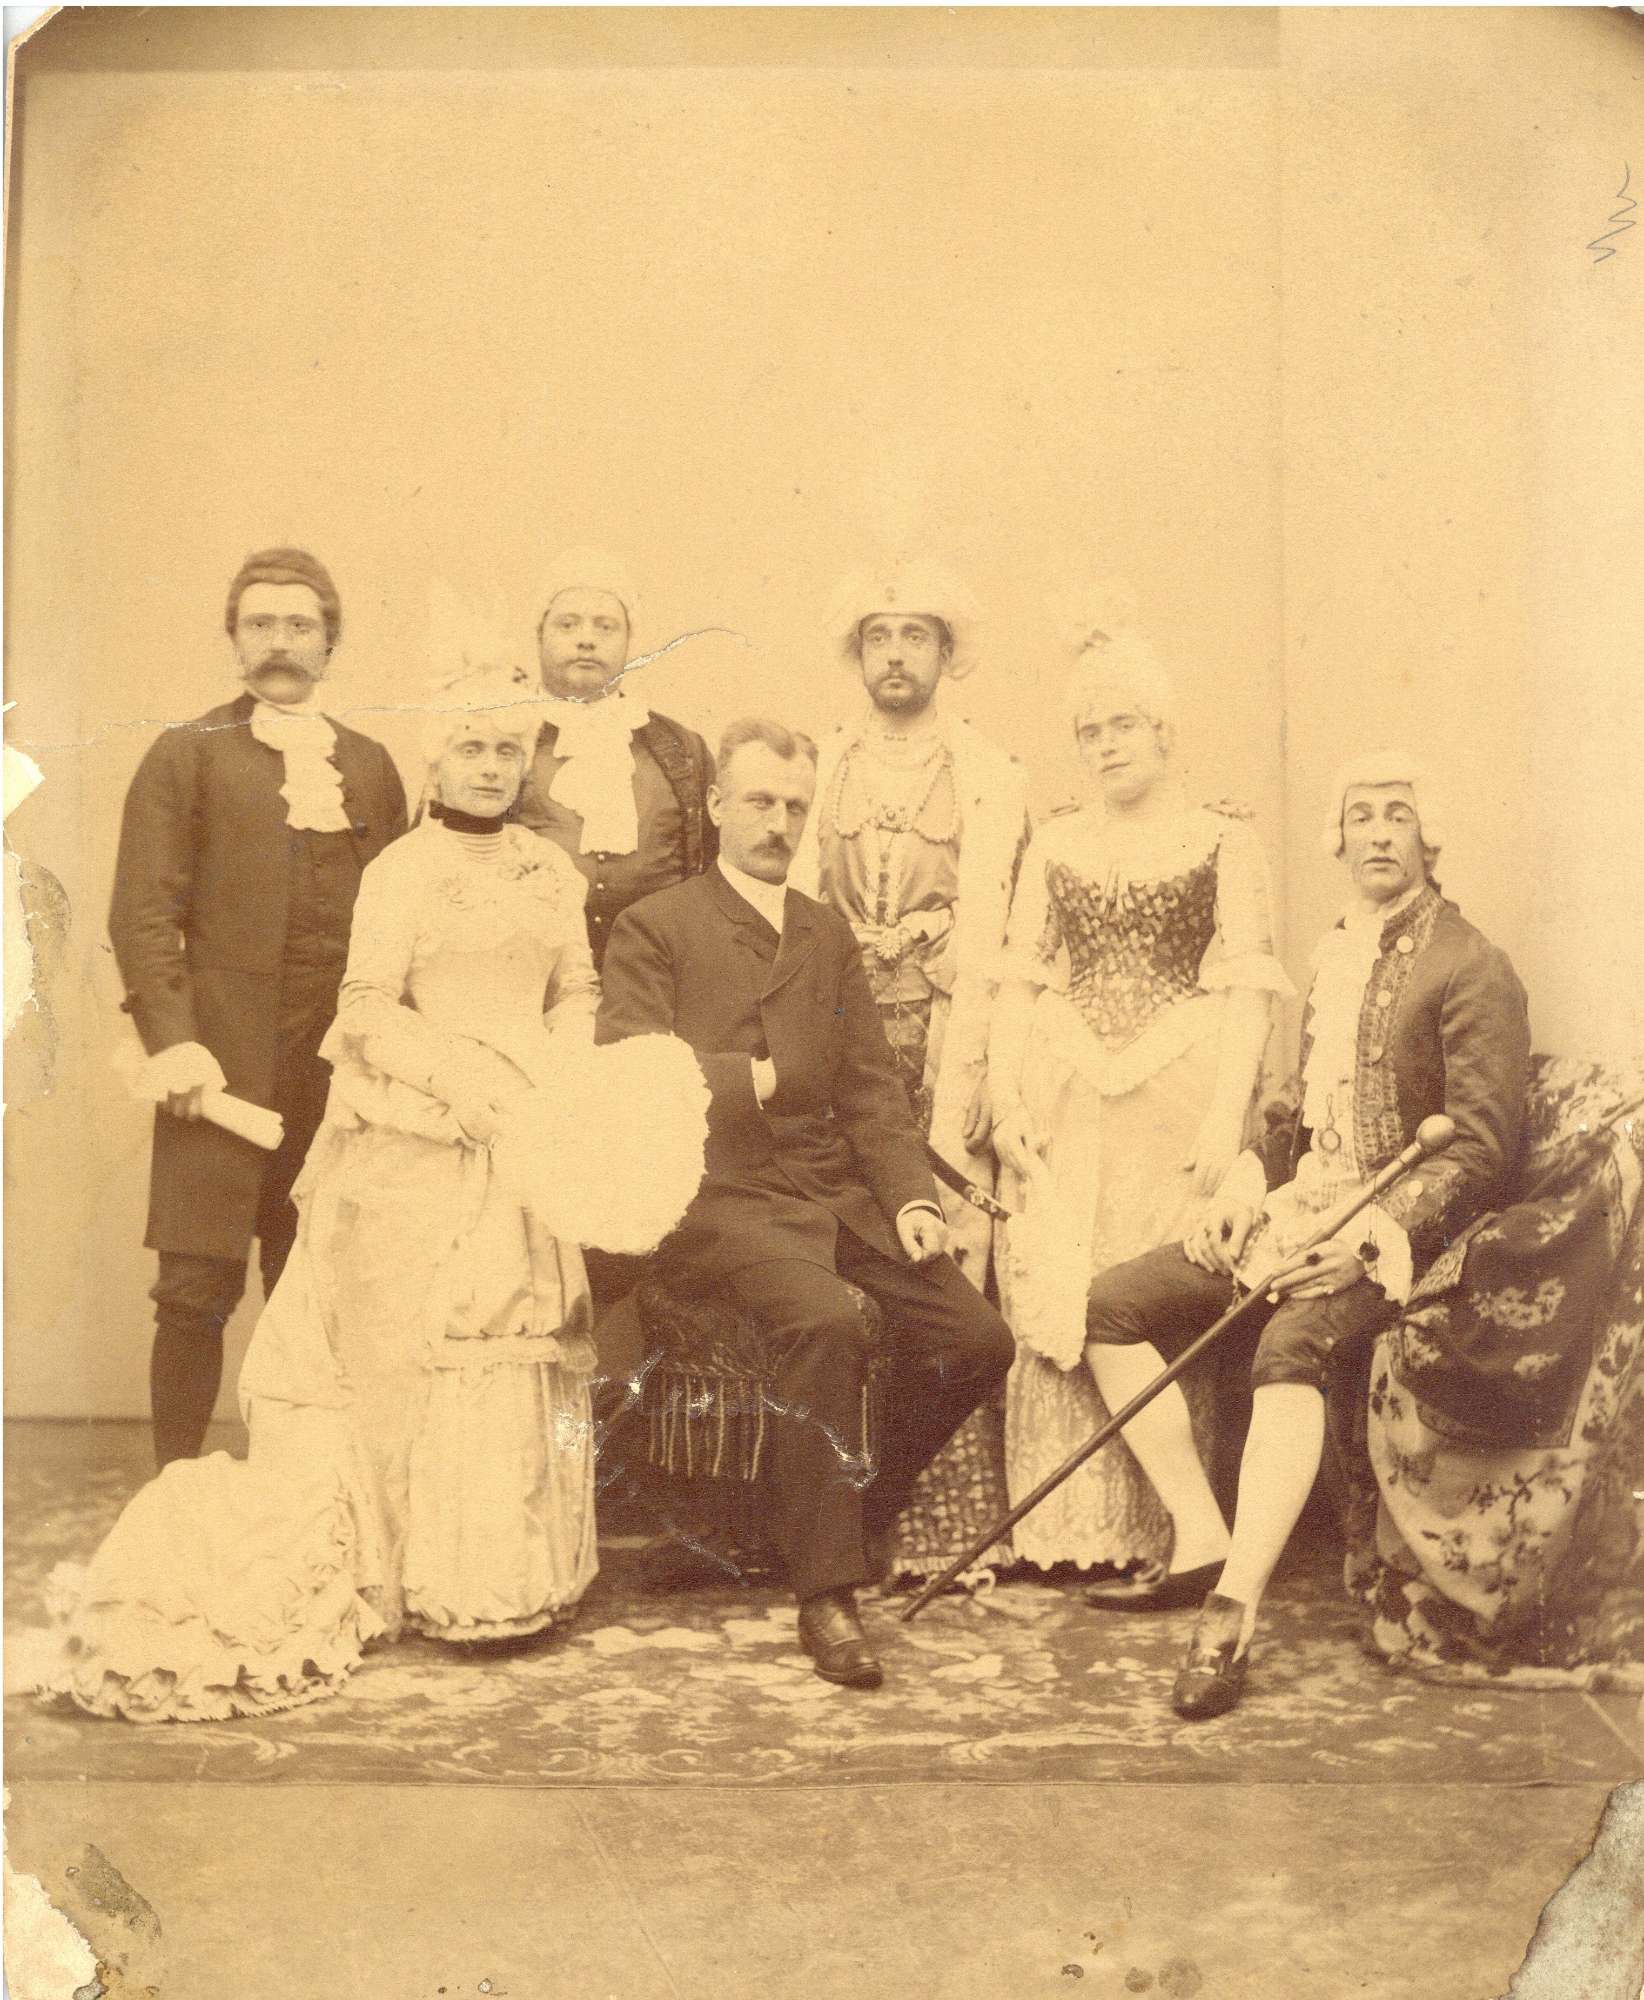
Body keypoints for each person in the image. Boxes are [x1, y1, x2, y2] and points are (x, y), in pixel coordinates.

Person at [47, 675, 703, 1721]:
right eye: (470, 749)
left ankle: (501, 1578)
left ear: (526, 766)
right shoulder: (403, 868)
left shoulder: (547, 865)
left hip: (527, 1127)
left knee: (520, 1329)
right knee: (423, 1343)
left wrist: (554, 1071)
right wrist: (458, 1081)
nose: (489, 767)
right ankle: (408, 1570)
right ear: (436, 763)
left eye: (506, 751)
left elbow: (575, 988)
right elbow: (362, 1008)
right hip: (420, 1131)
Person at [1079, 751, 1530, 1719]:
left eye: (1398, 815)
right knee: (1109, 1306)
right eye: (1361, 816)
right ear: (1339, 838)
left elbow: (1482, 1146)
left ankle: (1233, 1610)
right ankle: (1201, 1535)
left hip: (1405, 1242)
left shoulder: (1471, 964)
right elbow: (1293, 1113)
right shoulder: (1333, 954)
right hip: (1298, 1216)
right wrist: (1248, 1182)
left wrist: (1367, 1235)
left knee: (1288, 1345)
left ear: (1428, 837)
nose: (1379, 834)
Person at [596, 718, 1016, 1689]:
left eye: (794, 805)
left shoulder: (824, 931)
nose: (778, 822)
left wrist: (910, 1200)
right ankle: (827, 1593)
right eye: (759, 801)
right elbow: (628, 1069)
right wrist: (753, 1079)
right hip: (715, 1196)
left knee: (975, 1339)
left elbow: (869, 1087)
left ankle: (839, 1517)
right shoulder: (656, 925)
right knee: (824, 1321)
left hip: (830, 1190)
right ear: (716, 807)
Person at [987, 624, 1289, 1577]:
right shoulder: (1055, 843)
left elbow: (1249, 991)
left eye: (1123, 725)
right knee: (1063, 1284)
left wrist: (1223, 1120)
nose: (1106, 745)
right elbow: (1019, 978)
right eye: (1089, 732)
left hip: (1177, 1089)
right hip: (1067, 1086)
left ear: (1164, 731)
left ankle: (1169, 1528)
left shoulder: (1223, 840)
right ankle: (1065, 1529)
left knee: (1142, 1293)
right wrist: (1004, 1096)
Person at [109, 548, 407, 1470]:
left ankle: (301, 1497)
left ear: (331, 643)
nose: (280, 643)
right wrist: (176, 1047)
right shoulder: (185, 754)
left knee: (313, 1290)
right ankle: (173, 1494)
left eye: (300, 626)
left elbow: (401, 918)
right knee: (194, 1292)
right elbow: (142, 916)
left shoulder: (369, 766)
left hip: (333, 1078)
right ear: (233, 639)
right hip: (220, 1070)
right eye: (260, 624)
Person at [793, 561, 1028, 1582]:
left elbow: (1005, 931)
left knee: (944, 1257)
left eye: (914, 636)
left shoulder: (989, 772)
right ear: (858, 652)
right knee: (850, 1257)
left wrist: (977, 1075)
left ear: (945, 651)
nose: (895, 654)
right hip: (842, 1039)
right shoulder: (824, 763)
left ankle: (931, 1520)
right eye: (878, 636)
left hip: (944, 1035)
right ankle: (835, 1505)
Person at [513, 547, 716, 971]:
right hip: (528, 977)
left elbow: (714, 876)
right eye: (568, 624)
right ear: (539, 635)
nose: (586, 639)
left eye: (605, 627)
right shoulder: (504, 737)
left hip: (654, 979)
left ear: (628, 642)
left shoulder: (681, 749)